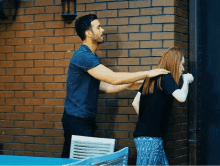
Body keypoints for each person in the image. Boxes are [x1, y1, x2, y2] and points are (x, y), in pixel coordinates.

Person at [61, 14, 170, 158]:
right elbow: (113, 78)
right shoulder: (83, 55)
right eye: (98, 27)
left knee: (71, 159)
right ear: (88, 33)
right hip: (76, 119)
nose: (103, 30)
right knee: (82, 160)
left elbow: (105, 87)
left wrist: (137, 85)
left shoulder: (91, 57)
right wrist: (148, 74)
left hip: (83, 119)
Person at [133, 47, 194, 165]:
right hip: (151, 139)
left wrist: (146, 120)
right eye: (181, 64)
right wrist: (186, 81)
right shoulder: (166, 76)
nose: (183, 68)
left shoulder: (150, 78)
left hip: (147, 136)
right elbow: (181, 97)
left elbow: (135, 103)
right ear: (174, 63)